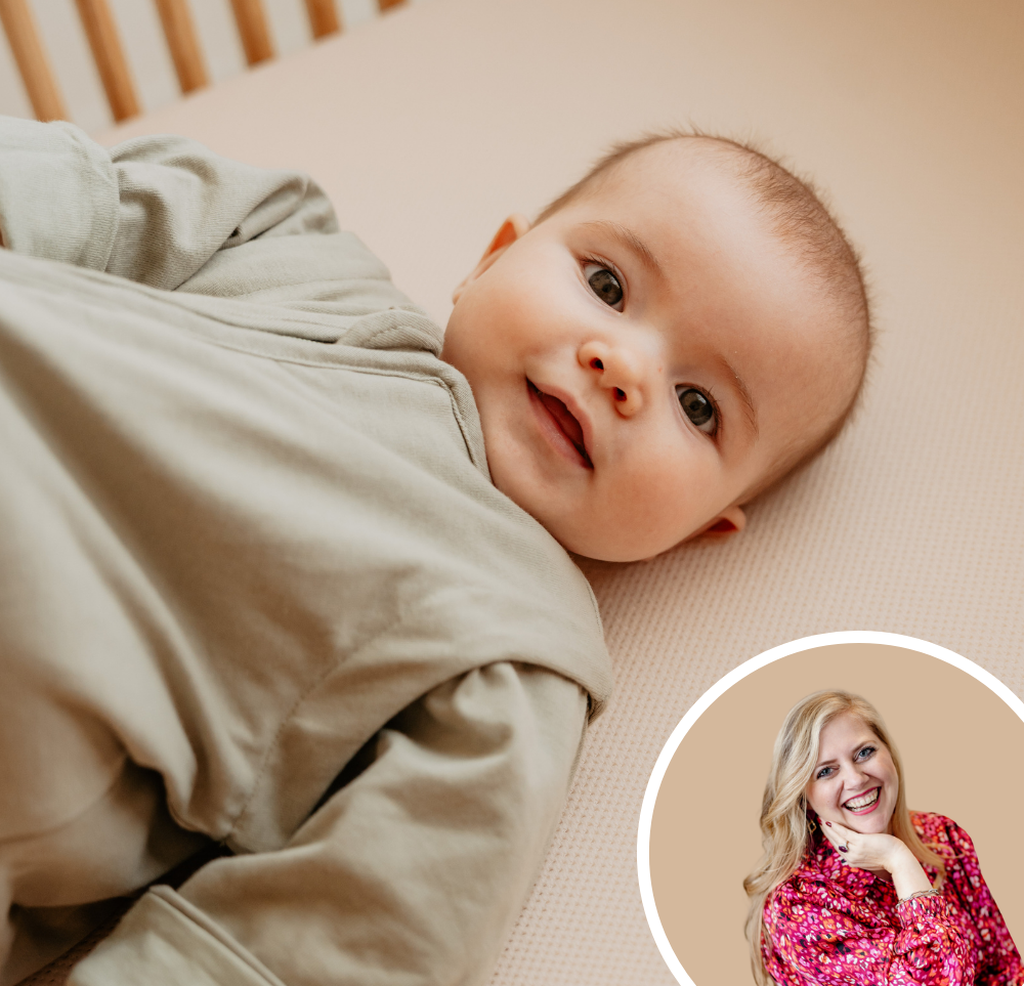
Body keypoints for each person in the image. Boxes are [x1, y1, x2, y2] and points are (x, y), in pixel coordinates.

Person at [0, 117, 870, 986]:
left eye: (698, 405)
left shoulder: (514, 655)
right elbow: (77, 195)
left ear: (700, 527)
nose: (621, 368)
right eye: (606, 283)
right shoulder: (287, 240)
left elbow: (345, 934)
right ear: (492, 258)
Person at [745, 690, 1023, 986]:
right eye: (826, 771)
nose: (855, 779)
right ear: (804, 798)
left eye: (864, 753)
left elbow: (1005, 969)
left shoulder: (942, 836)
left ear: (889, 753)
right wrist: (899, 860)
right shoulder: (797, 904)